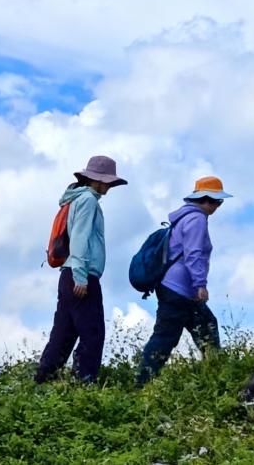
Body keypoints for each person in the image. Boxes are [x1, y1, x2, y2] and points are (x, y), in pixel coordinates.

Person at [35, 155, 127, 384]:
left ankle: (41, 383)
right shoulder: (88, 201)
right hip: (80, 275)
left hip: (68, 274)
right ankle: (84, 385)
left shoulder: (75, 199)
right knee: (92, 333)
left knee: (63, 335)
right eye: (106, 181)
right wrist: (81, 277)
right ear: (95, 180)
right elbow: (80, 237)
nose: (108, 186)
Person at [135, 176, 231, 386]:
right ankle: (142, 383)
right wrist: (200, 284)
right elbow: (194, 254)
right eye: (217, 201)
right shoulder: (197, 219)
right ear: (207, 200)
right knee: (167, 336)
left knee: (205, 327)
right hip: (180, 288)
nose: (218, 206)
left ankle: (216, 378)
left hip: (175, 287)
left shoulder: (184, 217)